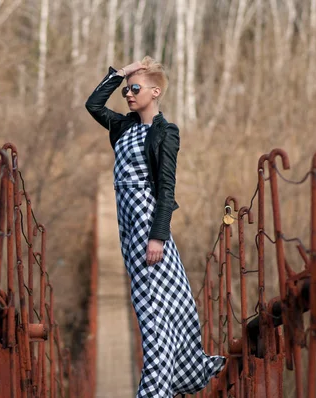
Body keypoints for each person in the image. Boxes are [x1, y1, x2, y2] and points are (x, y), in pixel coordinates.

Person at [85, 56, 227, 397]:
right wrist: (121, 72)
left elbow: (166, 188)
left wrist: (158, 237)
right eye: (126, 90)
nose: (129, 94)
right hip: (128, 225)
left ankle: (155, 391)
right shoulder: (123, 127)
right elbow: (92, 104)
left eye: (135, 88)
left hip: (149, 226)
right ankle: (183, 373)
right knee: (158, 306)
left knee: (153, 313)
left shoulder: (166, 132)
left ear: (156, 91)